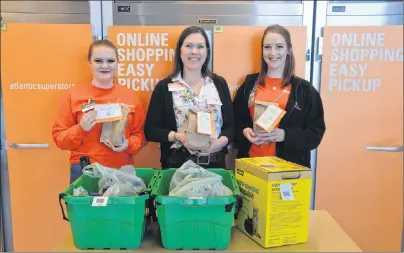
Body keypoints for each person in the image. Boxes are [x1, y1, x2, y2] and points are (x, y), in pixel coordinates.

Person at [52, 40, 147, 184]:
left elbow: (140, 135)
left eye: (110, 61)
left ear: (117, 63)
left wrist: (127, 144)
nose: (104, 66)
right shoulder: (73, 96)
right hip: (85, 170)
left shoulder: (130, 97)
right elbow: (59, 139)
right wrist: (80, 129)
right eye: (98, 61)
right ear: (89, 63)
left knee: (120, 208)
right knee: (85, 208)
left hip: (121, 170)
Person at [233, 24, 325, 168]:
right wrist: (244, 131)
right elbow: (236, 121)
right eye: (267, 47)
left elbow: (315, 133)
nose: (272, 52)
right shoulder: (249, 85)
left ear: (289, 49)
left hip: (288, 171)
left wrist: (285, 135)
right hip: (251, 167)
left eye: (279, 47)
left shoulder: (304, 90)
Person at [145, 26, 234, 169]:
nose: (194, 52)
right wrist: (178, 137)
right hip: (177, 165)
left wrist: (219, 143)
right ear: (180, 51)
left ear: (207, 51)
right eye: (188, 46)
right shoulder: (164, 87)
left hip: (215, 165)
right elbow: (151, 130)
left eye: (200, 46)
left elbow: (231, 127)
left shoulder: (219, 84)